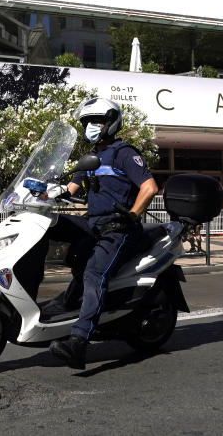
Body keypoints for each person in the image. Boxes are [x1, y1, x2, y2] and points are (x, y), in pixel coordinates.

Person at [48, 97, 158, 370]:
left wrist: (132, 214)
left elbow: (149, 187)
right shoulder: (93, 156)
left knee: (94, 273)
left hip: (118, 228)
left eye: (96, 121)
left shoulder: (124, 153)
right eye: (86, 122)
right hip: (93, 223)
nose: (90, 127)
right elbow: (71, 188)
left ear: (111, 123)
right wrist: (44, 194)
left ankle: (79, 342)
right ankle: (62, 305)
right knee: (49, 227)